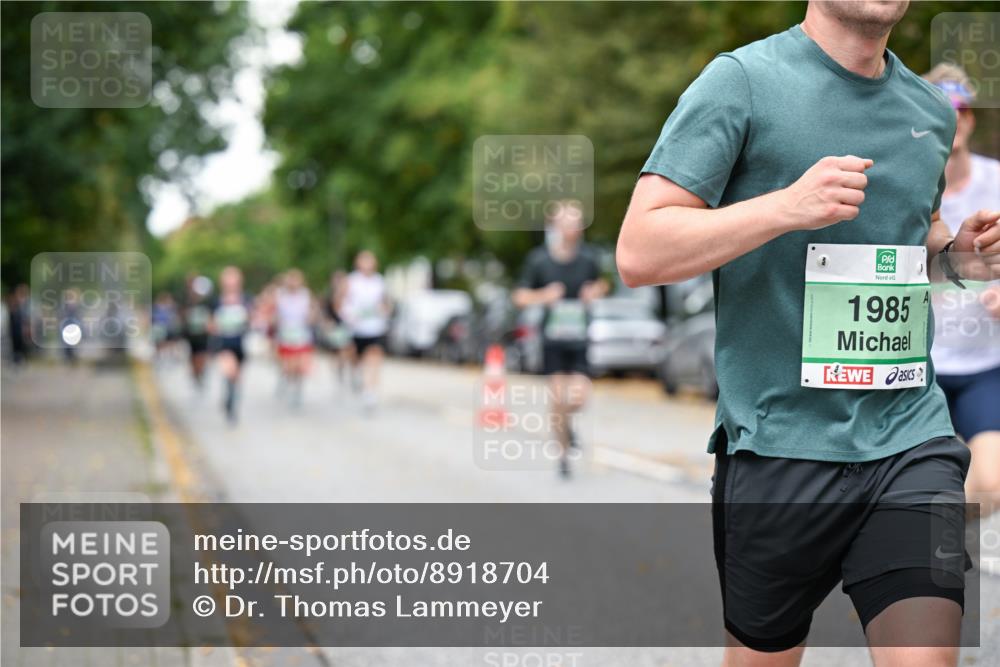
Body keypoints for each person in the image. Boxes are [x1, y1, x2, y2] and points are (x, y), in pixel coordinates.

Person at [617, 1, 1000, 663]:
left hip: (909, 434)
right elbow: (640, 250)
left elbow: (918, 242)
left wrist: (958, 259)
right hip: (778, 446)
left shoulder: (930, 111)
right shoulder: (741, 81)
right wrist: (784, 208)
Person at [923, 64, 1000, 519]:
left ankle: (945, 543)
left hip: (983, 365)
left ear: (969, 120)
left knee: (990, 482)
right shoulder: (908, 186)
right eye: (940, 110)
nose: (952, 120)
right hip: (918, 364)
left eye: (960, 110)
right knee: (919, 483)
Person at [513, 201, 608, 479]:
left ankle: (566, 425)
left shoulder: (588, 258)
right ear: (555, 226)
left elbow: (602, 283)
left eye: (578, 222)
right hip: (552, 340)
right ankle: (563, 456)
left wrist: (595, 291)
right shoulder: (539, 260)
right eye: (568, 222)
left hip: (578, 338)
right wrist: (544, 296)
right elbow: (519, 297)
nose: (574, 227)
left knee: (579, 397)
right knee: (557, 398)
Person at [341, 251, 390, 411]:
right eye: (364, 261)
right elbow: (342, 301)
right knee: (356, 359)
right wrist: (349, 314)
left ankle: (370, 392)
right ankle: (356, 373)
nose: (367, 264)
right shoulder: (351, 280)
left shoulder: (379, 281)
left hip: (375, 327)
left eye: (370, 261)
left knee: (374, 357)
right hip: (356, 328)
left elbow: (385, 302)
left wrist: (384, 311)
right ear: (358, 263)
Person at [209, 266, 252, 424]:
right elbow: (211, 323)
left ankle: (231, 402)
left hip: (240, 342)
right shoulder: (216, 301)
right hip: (223, 342)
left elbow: (253, 318)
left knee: (237, 377)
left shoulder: (246, 298)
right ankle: (230, 402)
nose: (231, 282)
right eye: (228, 279)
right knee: (230, 371)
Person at [273, 268, 317, 408]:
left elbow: (312, 313)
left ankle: (297, 389)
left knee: (300, 365)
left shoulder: (306, 295)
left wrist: (311, 317)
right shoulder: (280, 295)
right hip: (285, 335)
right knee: (289, 365)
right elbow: (274, 314)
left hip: (302, 335)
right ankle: (288, 381)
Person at [321, 270, 356, 390]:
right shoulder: (330, 297)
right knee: (339, 351)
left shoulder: (351, 296)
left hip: (348, 327)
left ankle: (347, 372)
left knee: (349, 352)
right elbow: (327, 315)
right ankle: (339, 372)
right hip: (337, 328)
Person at [181, 274, 213, 389]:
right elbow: (182, 315)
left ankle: (201, 371)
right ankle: (195, 373)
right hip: (191, 334)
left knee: (202, 355)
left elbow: (210, 316)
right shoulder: (186, 300)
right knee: (193, 356)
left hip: (203, 334)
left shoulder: (206, 301)